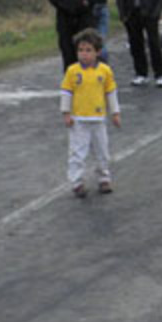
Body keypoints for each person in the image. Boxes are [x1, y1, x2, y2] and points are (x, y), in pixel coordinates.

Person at [60, 28, 120, 198]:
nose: (84, 54)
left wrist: (115, 112)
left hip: (98, 119)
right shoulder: (72, 71)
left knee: (102, 150)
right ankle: (77, 182)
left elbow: (111, 92)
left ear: (97, 52)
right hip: (79, 119)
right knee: (77, 152)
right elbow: (66, 92)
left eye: (88, 51)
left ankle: (104, 178)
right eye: (80, 50)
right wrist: (66, 113)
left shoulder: (104, 71)